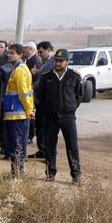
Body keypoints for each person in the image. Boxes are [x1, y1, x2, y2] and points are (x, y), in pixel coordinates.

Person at [33, 49, 85, 182]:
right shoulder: (47, 76)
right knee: (50, 145)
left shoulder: (74, 76)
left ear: (67, 62)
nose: (58, 63)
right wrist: (46, 109)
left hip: (68, 116)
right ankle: (50, 172)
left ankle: (76, 173)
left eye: (61, 61)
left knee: (72, 145)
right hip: (50, 117)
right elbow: (40, 96)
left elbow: (79, 95)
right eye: (56, 60)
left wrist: (71, 107)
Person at [0, 43, 35, 176]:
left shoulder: (20, 70)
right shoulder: (19, 69)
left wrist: (29, 110)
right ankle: (16, 171)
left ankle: (17, 172)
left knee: (17, 145)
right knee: (16, 144)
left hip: (18, 115)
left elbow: (24, 93)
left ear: (20, 55)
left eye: (12, 53)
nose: (9, 55)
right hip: (16, 114)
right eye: (9, 52)